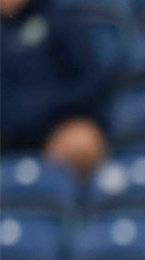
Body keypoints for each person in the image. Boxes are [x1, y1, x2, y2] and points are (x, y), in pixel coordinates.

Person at [1, 0, 113, 177]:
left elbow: (91, 84)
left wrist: (43, 107)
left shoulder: (58, 21)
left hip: (59, 128)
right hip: (8, 135)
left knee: (81, 143)